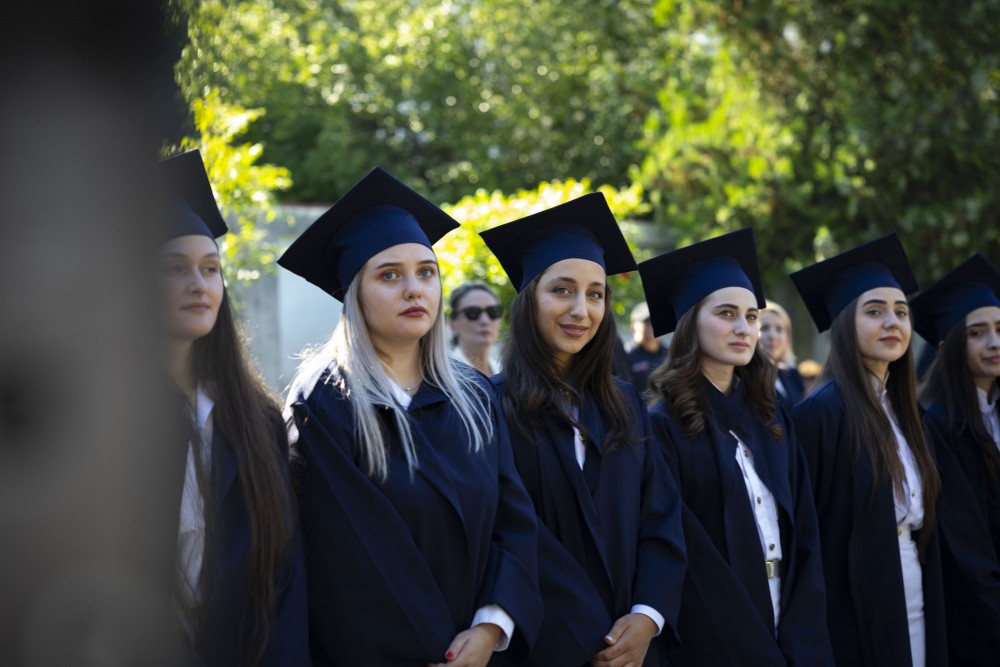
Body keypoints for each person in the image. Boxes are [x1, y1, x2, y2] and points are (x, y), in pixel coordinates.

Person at [279, 167, 542, 667]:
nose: (414, 289)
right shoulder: (326, 402)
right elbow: (354, 556)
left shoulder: (474, 397)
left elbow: (515, 524)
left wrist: (490, 626)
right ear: (354, 293)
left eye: (426, 272)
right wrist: (441, 650)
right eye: (389, 275)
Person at [480, 193, 686, 666]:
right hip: (540, 647)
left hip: (632, 652)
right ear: (529, 297)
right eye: (562, 290)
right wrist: (587, 633)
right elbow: (505, 538)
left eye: (595, 294)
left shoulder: (625, 404)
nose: (581, 309)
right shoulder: (491, 407)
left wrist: (646, 617)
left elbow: (661, 520)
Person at [639, 228, 833, 666]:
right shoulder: (663, 426)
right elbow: (691, 560)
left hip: (790, 618)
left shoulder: (770, 418)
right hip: (715, 639)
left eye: (751, 316)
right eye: (726, 314)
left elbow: (804, 530)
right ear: (690, 322)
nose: (745, 328)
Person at [159, 149, 308, 665]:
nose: (199, 285)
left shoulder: (256, 419)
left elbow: (283, 572)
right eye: (174, 269)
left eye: (210, 268)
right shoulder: (104, 422)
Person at [789, 233, 946, 667]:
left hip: (914, 587)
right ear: (844, 324)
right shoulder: (819, 415)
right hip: (853, 602)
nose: (892, 322)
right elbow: (808, 533)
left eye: (901, 311)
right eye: (874, 311)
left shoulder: (908, 412)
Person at [912, 253, 1000, 666]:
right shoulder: (936, 424)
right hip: (976, 616)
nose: (995, 343)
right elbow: (964, 546)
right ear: (948, 347)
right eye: (977, 333)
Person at [448, 281, 503, 376]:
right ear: (453, 325)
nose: (485, 321)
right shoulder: (444, 376)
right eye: (473, 313)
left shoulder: (505, 373)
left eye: (493, 312)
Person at [760, 300, 807, 411]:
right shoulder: (742, 381)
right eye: (764, 328)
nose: (772, 336)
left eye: (779, 329)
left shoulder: (793, 376)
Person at [626, 301, 668, 393]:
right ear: (633, 327)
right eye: (647, 321)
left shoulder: (672, 355)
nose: (653, 325)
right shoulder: (624, 357)